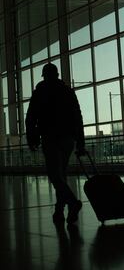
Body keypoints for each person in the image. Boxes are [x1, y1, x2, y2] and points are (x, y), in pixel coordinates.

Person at [25, 63, 85, 224]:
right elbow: (77, 117)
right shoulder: (67, 91)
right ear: (57, 75)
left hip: (50, 137)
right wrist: (81, 142)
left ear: (44, 76)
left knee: (55, 175)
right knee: (61, 174)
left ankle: (72, 203)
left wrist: (32, 138)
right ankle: (59, 211)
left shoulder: (40, 92)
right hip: (67, 138)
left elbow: (31, 117)